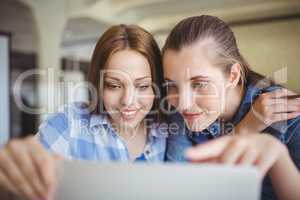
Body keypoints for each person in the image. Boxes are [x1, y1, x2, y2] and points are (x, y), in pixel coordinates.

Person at [0, 24, 167, 200]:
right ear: (98, 84)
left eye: (142, 86)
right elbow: (22, 184)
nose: (128, 100)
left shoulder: (169, 128)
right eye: (114, 85)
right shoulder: (68, 124)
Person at [162, 15, 300, 200]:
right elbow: (182, 191)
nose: (183, 103)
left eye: (199, 84)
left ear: (233, 76)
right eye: (172, 85)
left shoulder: (286, 114)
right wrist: (244, 129)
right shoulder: (181, 112)